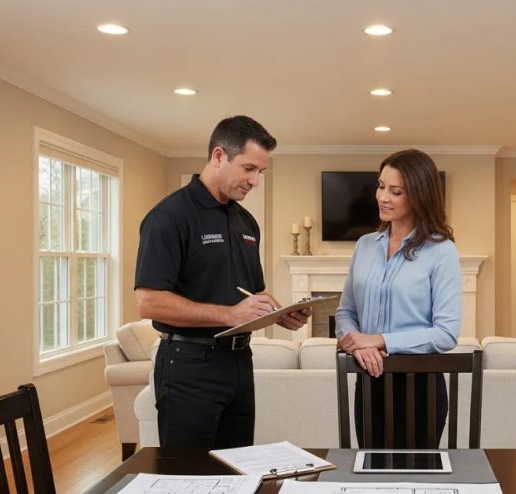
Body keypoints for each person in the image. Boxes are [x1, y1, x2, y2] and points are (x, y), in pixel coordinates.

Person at [134, 115, 310, 449]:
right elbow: (148, 302)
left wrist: (277, 311)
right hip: (188, 366)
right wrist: (230, 316)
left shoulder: (246, 222)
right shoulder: (169, 217)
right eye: (248, 169)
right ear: (218, 156)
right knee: (189, 477)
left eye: (261, 172)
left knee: (237, 469)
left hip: (240, 364)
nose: (255, 181)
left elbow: (251, 294)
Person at [334, 148, 462, 448]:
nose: (382, 197)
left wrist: (378, 340)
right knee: (370, 478)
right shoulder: (365, 246)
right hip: (369, 380)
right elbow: (345, 312)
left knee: (416, 482)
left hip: (420, 388)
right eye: (381, 186)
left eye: (396, 191)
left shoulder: (441, 250)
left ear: (418, 195)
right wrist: (358, 344)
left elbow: (446, 334)